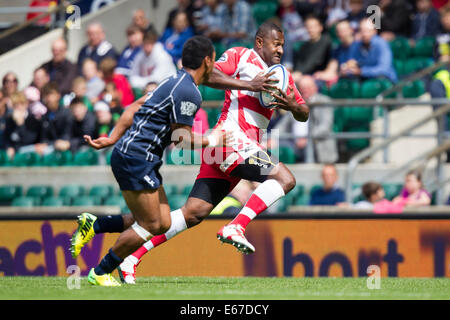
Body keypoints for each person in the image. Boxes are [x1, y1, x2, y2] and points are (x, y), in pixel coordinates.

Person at [72, 23, 308, 285]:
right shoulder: (240, 56)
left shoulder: (281, 75)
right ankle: (237, 225)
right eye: (276, 43)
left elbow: (304, 110)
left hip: (237, 147)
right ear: (260, 42)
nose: (280, 49)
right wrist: (249, 85)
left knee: (191, 213)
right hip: (231, 140)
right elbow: (210, 75)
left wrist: (292, 105)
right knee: (285, 178)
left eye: (283, 45)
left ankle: (131, 257)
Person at [70, 36, 239, 286]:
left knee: (162, 222)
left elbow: (133, 108)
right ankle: (101, 271)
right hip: (136, 158)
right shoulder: (188, 91)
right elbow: (181, 138)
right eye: (214, 60)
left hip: (138, 157)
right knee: (151, 224)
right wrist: (214, 139)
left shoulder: (171, 81)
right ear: (207, 61)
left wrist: (112, 138)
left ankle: (95, 224)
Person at [296, 75, 338, 163]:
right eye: (302, 88)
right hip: (295, 143)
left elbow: (325, 126)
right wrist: (273, 136)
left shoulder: (324, 101)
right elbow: (283, 124)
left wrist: (307, 138)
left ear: (315, 87)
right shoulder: (296, 103)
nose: (304, 90)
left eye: (307, 87)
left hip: (318, 143)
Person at [342, 18, 397, 83]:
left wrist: (362, 71)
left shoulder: (382, 44)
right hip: (364, 78)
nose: (365, 34)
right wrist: (347, 69)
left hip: (385, 80)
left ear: (375, 31)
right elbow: (350, 64)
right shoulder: (356, 45)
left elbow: (384, 69)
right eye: (362, 31)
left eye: (368, 31)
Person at [314, 19, 357, 85]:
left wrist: (336, 75)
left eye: (343, 31)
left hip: (354, 80)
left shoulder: (359, 46)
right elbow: (331, 68)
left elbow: (353, 67)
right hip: (340, 78)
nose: (340, 34)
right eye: (338, 31)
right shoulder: (338, 49)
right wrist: (321, 75)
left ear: (351, 30)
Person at [4, 92, 42, 159]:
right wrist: (9, 147)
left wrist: (20, 125)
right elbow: (7, 138)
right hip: (14, 154)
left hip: (29, 154)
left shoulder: (32, 120)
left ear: (26, 104)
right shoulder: (9, 121)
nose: (18, 107)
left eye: (21, 104)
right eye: (15, 105)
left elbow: (28, 140)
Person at [40, 82, 73, 153]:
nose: (48, 98)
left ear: (58, 95)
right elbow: (44, 139)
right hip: (52, 148)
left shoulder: (66, 113)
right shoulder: (44, 117)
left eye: (51, 94)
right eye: (46, 95)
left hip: (68, 150)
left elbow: (68, 136)